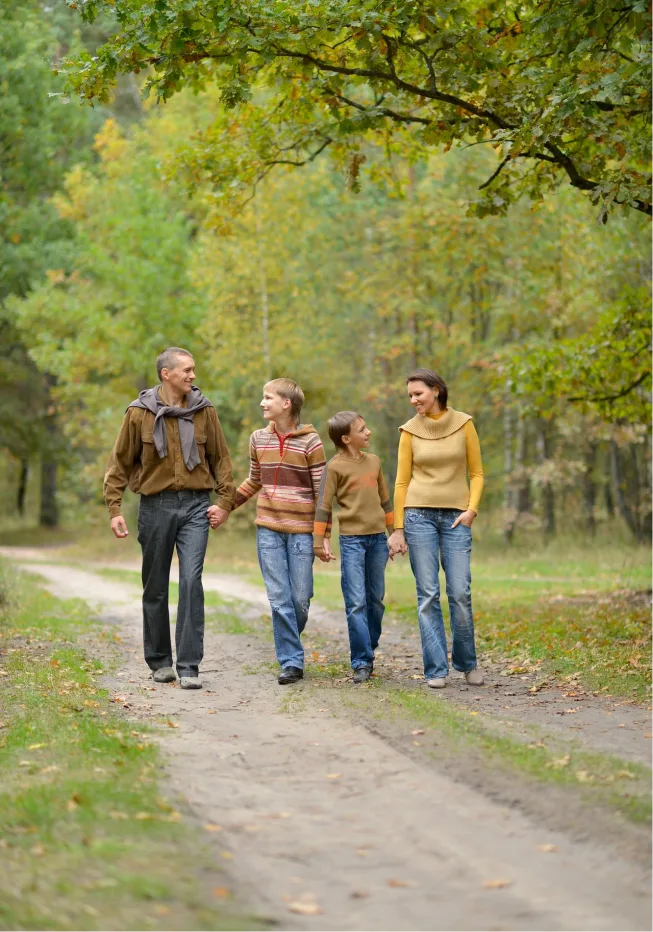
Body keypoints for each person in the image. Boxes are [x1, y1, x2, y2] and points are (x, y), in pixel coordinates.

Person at [104, 347, 235, 690]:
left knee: (192, 582)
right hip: (155, 506)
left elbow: (221, 458)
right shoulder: (138, 413)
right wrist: (114, 508)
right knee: (156, 585)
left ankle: (189, 665)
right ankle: (160, 661)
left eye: (193, 370)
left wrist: (224, 501)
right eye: (186, 370)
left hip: (196, 506)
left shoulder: (205, 411)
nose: (193, 376)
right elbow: (120, 462)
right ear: (166, 374)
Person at [223, 378, 325, 685]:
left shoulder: (311, 442)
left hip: (302, 530)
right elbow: (255, 480)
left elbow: (322, 491)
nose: (262, 403)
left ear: (286, 404)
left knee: (301, 598)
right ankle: (291, 661)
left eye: (268, 398)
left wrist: (323, 535)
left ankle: (288, 636)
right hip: (268, 528)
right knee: (279, 598)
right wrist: (227, 506)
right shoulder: (257, 438)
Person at [387, 368, 484, 689]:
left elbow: (477, 473)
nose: (413, 400)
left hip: (457, 517)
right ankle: (436, 670)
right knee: (427, 594)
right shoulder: (409, 431)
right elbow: (401, 481)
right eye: (410, 395)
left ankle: (467, 663)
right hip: (418, 517)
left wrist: (472, 509)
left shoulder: (464, 424)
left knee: (460, 592)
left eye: (418, 393)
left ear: (437, 391)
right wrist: (398, 528)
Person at [314, 412, 394, 684]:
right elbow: (323, 506)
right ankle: (361, 661)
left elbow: (386, 500)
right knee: (356, 602)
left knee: (375, 601)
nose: (368, 432)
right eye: (362, 429)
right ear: (347, 438)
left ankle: (368, 647)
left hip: (378, 540)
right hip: (352, 541)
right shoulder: (334, 467)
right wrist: (319, 541)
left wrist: (395, 533)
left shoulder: (374, 462)